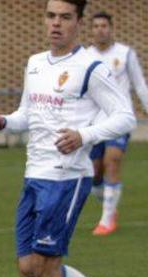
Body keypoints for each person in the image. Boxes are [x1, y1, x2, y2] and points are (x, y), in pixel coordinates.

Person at [0, 0, 137, 277]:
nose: (56, 24)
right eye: (51, 16)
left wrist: (84, 134)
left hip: (68, 178)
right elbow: (28, 116)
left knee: (47, 265)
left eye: (65, 17)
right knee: (28, 269)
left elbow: (125, 116)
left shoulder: (92, 69)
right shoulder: (35, 63)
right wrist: (4, 121)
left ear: (78, 23)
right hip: (34, 175)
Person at [85, 11, 148, 235]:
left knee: (113, 161)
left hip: (120, 119)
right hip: (94, 123)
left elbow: (140, 85)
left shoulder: (125, 54)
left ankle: (107, 219)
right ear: (90, 31)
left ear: (111, 29)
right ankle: (109, 205)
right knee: (94, 174)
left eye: (104, 25)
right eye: (96, 26)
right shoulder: (85, 56)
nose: (100, 29)